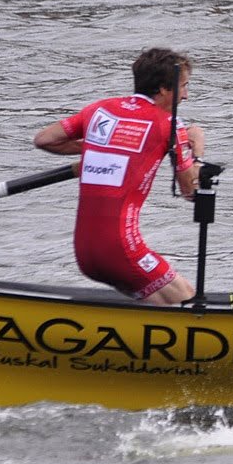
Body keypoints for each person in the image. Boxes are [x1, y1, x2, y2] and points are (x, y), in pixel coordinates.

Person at [33, 47, 204, 305]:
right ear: (163, 89)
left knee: (161, 303)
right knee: (188, 302)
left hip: (85, 253)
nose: (187, 95)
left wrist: (102, 145)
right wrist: (197, 152)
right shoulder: (171, 127)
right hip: (122, 251)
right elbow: (191, 192)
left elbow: (44, 139)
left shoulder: (100, 109)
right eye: (184, 86)